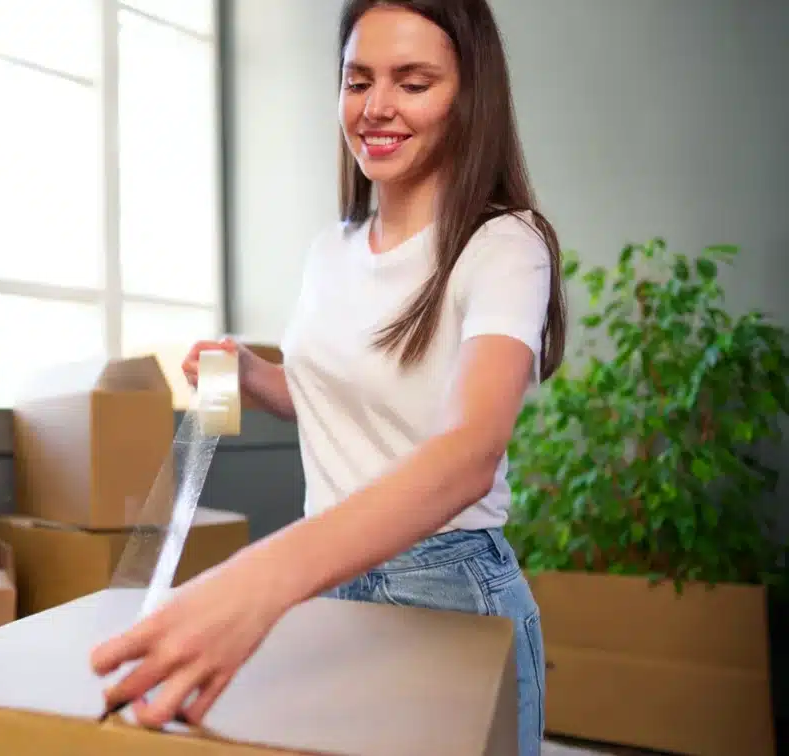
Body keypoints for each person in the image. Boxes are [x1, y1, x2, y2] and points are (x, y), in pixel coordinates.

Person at [89, 1, 567, 755]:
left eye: (413, 82)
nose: (376, 107)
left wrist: (260, 579)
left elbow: (471, 450)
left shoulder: (504, 244)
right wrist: (252, 374)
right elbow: (331, 399)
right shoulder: (331, 249)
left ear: (470, 96)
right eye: (358, 81)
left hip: (443, 582)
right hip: (332, 584)